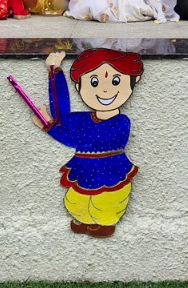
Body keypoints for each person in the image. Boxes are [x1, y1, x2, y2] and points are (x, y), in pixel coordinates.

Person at [41, 49, 144, 237]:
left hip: (111, 170)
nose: (104, 90)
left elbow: (80, 139)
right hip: (83, 168)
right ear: (79, 86)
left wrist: (49, 127)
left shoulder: (121, 122)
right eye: (94, 82)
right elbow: (62, 118)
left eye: (115, 81)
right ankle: (85, 222)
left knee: (107, 202)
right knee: (75, 201)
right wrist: (55, 73)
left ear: (133, 80)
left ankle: (105, 224)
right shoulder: (83, 119)